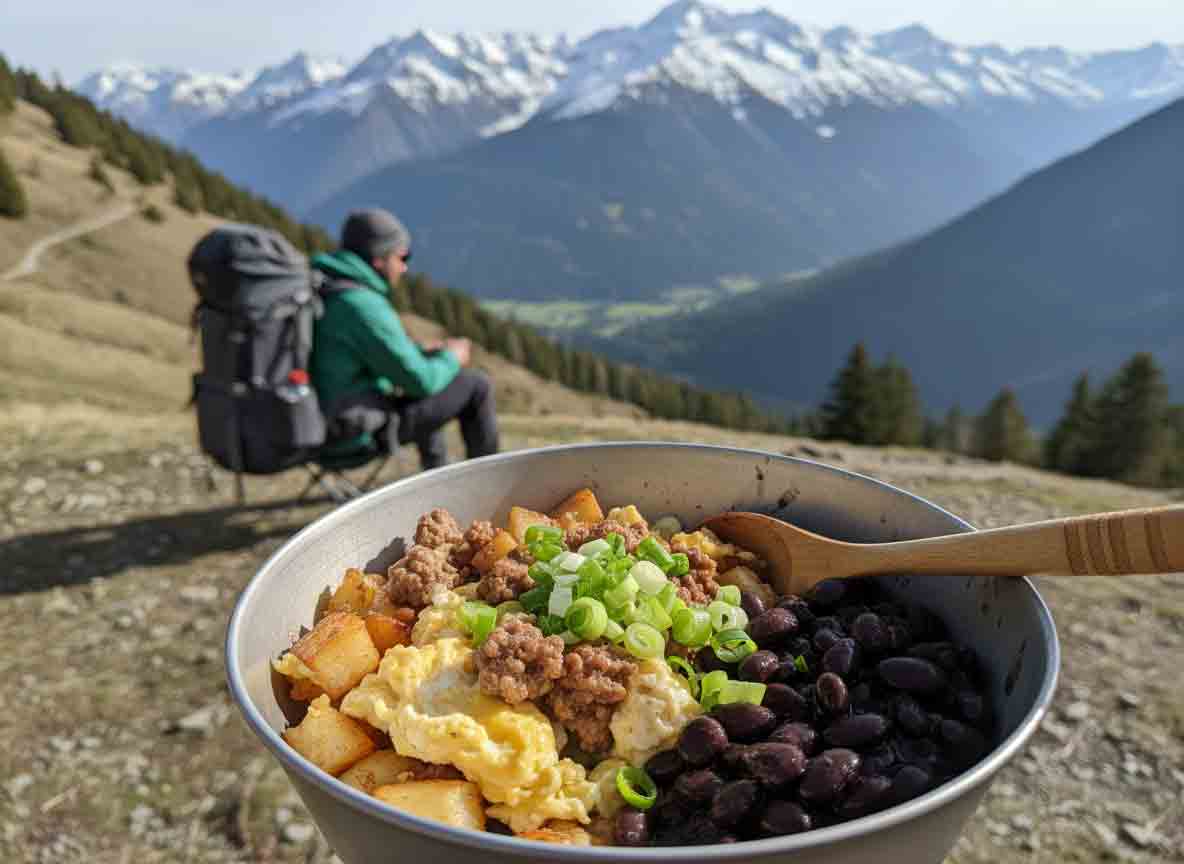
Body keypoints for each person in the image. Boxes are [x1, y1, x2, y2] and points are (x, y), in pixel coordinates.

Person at [309, 207, 499, 470]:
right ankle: (488, 479)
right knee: (476, 385)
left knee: (430, 384)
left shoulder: (325, 288)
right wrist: (452, 356)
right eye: (402, 256)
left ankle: (438, 470)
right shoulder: (361, 305)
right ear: (378, 258)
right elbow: (420, 381)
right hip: (351, 434)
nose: (405, 267)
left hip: (315, 423)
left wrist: (417, 351)